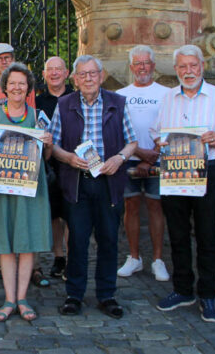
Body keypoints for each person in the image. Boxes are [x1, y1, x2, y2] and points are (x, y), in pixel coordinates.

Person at [152, 44, 215, 323]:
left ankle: (208, 294)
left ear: (202, 66)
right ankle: (182, 290)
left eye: (193, 66)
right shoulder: (168, 97)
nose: (188, 71)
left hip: (208, 170)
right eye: (182, 67)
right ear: (176, 69)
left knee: (207, 235)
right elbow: (157, 132)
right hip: (175, 172)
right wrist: (160, 142)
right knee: (177, 234)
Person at [50, 55, 137, 319]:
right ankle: (74, 295)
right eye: (83, 74)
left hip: (109, 182)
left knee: (109, 239)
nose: (88, 78)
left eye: (93, 73)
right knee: (76, 241)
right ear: (74, 79)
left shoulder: (118, 103)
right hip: (77, 183)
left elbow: (132, 142)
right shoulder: (64, 105)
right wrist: (68, 158)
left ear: (101, 76)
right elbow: (51, 145)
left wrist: (119, 158)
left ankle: (106, 295)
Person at [0, 62, 53, 322]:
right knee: (6, 244)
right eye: (12, 83)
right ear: (5, 87)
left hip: (30, 188)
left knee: (27, 243)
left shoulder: (38, 116)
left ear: (29, 87)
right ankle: (9, 299)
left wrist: (49, 144)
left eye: (22, 83)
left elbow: (47, 157)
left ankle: (22, 298)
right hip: (0, 187)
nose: (17, 87)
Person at [116, 45, 171, 282]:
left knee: (156, 207)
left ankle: (158, 259)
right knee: (131, 207)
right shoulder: (120, 95)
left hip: (159, 159)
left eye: (146, 62)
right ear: (131, 67)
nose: (142, 67)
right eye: (138, 63)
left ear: (154, 66)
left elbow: (171, 126)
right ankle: (134, 257)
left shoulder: (167, 93)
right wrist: (138, 152)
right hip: (130, 158)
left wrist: (154, 155)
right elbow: (117, 130)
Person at [35, 56, 73, 281]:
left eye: (59, 69)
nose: (55, 73)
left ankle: (71, 259)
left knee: (71, 215)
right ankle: (59, 257)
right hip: (48, 165)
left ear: (67, 73)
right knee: (54, 215)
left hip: (72, 163)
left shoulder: (76, 98)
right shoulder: (38, 103)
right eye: (51, 69)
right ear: (44, 74)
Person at [0, 43, 36, 110]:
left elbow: (31, 116)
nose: (4, 62)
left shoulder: (24, 88)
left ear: (13, 59)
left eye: (7, 57)